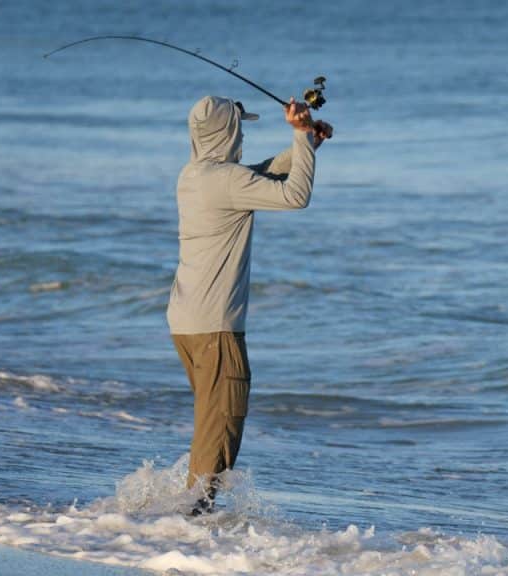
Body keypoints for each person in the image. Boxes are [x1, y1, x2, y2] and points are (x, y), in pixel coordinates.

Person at [166, 94, 332, 515]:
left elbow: (257, 176)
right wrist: (298, 134)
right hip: (215, 329)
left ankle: (182, 523)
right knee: (219, 438)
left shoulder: (194, 175)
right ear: (228, 131)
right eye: (240, 127)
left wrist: (304, 146)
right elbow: (295, 196)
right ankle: (184, 530)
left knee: (210, 429)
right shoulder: (226, 181)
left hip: (187, 323)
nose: (242, 134)